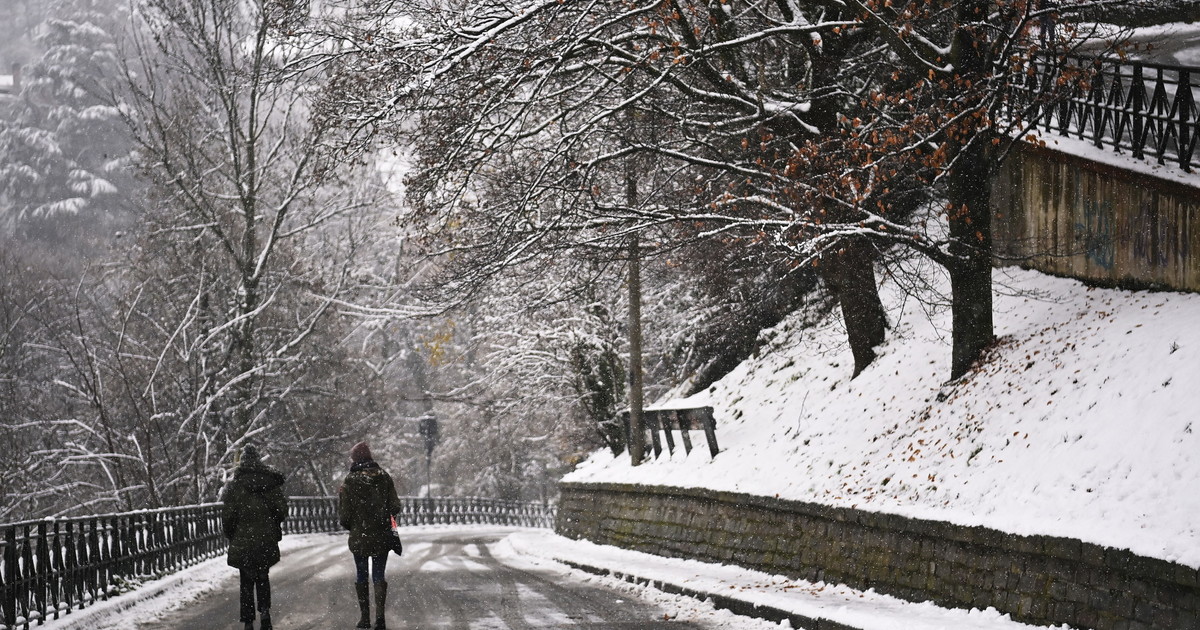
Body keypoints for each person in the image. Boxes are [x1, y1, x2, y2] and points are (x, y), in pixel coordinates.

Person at [222, 444, 287, 630]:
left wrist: (233, 535)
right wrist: (271, 522)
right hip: (265, 539)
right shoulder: (269, 484)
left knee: (246, 581)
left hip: (243, 540)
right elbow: (282, 510)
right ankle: (265, 613)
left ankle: (248, 621)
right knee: (262, 576)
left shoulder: (235, 487)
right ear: (258, 461)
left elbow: (228, 517)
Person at [339, 441, 402, 630]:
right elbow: (395, 506)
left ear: (355, 459)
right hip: (382, 534)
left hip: (360, 535)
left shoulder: (350, 481)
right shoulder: (384, 477)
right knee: (378, 574)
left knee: (361, 574)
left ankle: (364, 618)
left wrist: (355, 525)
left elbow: (344, 515)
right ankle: (380, 618)